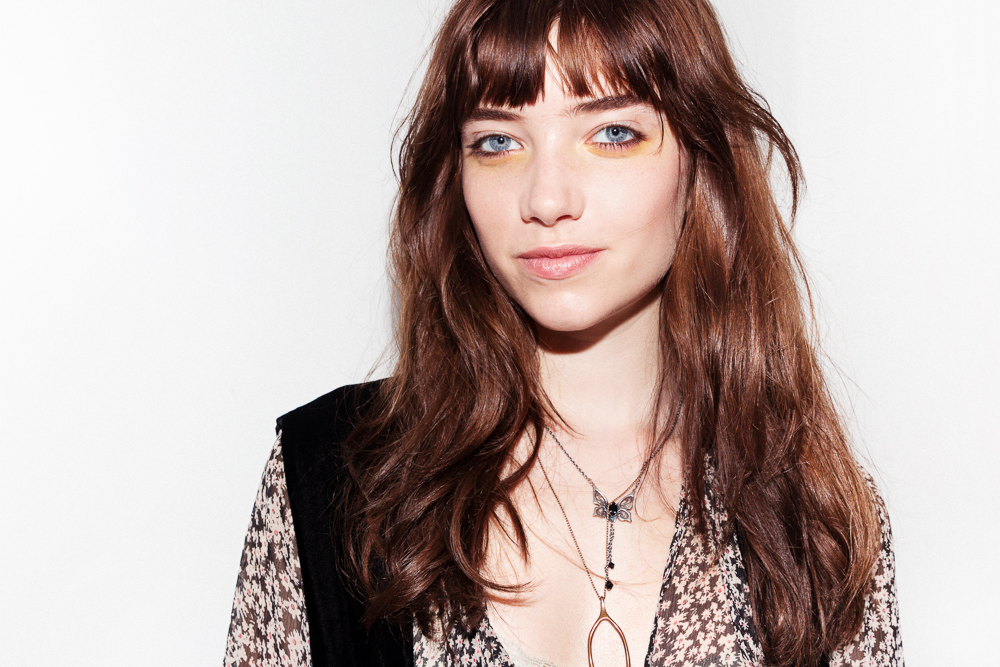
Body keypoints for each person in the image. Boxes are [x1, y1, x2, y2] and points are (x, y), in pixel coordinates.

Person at [223, 0, 903, 665]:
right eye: (497, 141)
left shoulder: (812, 517)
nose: (547, 199)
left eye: (612, 133)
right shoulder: (332, 478)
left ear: (703, 160)